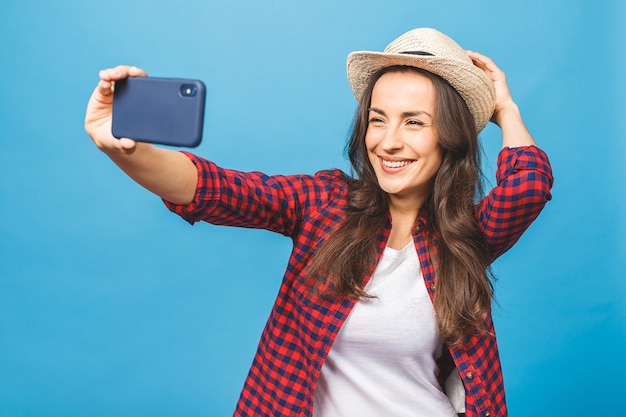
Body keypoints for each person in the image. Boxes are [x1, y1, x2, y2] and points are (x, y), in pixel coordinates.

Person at [85, 28, 553, 417]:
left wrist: (504, 109)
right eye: (377, 120)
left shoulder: (465, 236)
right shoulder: (325, 206)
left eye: (414, 122)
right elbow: (214, 189)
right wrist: (125, 150)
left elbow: (530, 183)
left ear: (450, 137)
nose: (388, 142)